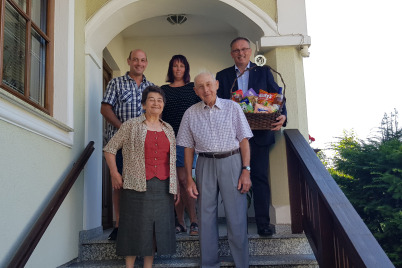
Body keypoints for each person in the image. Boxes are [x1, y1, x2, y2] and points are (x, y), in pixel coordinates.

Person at [177, 72, 253, 268]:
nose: (206, 90)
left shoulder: (233, 107)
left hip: (232, 161)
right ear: (195, 91)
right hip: (204, 163)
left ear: (217, 85)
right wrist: (190, 179)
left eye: (209, 84)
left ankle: (242, 264)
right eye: (201, 87)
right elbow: (187, 148)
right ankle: (209, 264)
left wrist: (246, 170)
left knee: (236, 216)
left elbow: (244, 141)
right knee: (205, 216)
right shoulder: (190, 113)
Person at [216, 37, 287, 237]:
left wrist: (284, 116)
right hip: (231, 138)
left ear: (251, 51)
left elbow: (278, 96)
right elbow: (218, 104)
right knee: (231, 181)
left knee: (260, 178)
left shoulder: (263, 71)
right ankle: (235, 224)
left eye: (244, 49)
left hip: (260, 135)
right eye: (236, 50)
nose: (241, 53)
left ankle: (264, 224)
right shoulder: (223, 76)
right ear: (231, 54)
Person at [103, 86, 178, 268]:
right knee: (131, 228)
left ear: (163, 106)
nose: (156, 103)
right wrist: (114, 173)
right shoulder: (130, 125)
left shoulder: (169, 129)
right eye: (151, 99)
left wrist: (175, 188)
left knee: (154, 229)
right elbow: (110, 148)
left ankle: (148, 266)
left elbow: (172, 161)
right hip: (135, 184)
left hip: (163, 187)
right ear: (144, 104)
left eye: (159, 100)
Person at [100, 49, 154, 240]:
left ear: (146, 63)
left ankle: (140, 225)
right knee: (120, 185)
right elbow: (105, 109)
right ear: (129, 61)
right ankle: (119, 225)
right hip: (120, 142)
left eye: (142, 60)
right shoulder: (116, 83)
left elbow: (156, 114)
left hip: (144, 144)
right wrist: (124, 128)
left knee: (143, 185)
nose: (139, 63)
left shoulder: (151, 88)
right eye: (135, 60)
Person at [161, 55, 200, 236]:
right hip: (169, 140)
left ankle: (194, 220)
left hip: (189, 141)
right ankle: (180, 222)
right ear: (171, 68)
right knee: (175, 183)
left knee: (186, 180)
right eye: (175, 66)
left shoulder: (193, 88)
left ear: (186, 69)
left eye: (181, 66)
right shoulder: (163, 90)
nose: (178, 69)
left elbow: (201, 112)